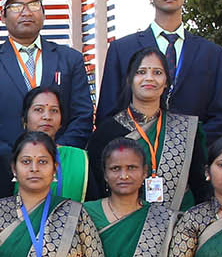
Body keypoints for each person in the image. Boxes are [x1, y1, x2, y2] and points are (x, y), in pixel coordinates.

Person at [0, 0, 92, 191]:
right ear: (2, 17)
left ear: (44, 13)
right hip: (5, 175)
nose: (26, 12)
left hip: (62, 172)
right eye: (16, 7)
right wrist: (16, 157)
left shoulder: (70, 59)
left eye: (33, 5)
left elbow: (83, 115)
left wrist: (55, 153)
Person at [97, 0, 222, 139]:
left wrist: (190, 147)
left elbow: (220, 117)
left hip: (195, 150)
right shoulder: (121, 50)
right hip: (135, 150)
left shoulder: (211, 53)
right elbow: (107, 113)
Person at [88, 47, 207, 209]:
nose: (149, 78)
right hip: (121, 221)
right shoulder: (106, 133)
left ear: (166, 82)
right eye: (141, 72)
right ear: (129, 79)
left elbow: (200, 186)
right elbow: (96, 192)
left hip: (180, 221)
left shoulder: (185, 130)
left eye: (157, 73)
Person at [21, 85, 93, 202]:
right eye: (39, 109)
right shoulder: (12, 159)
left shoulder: (78, 160)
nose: (47, 117)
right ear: (24, 119)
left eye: (54, 110)